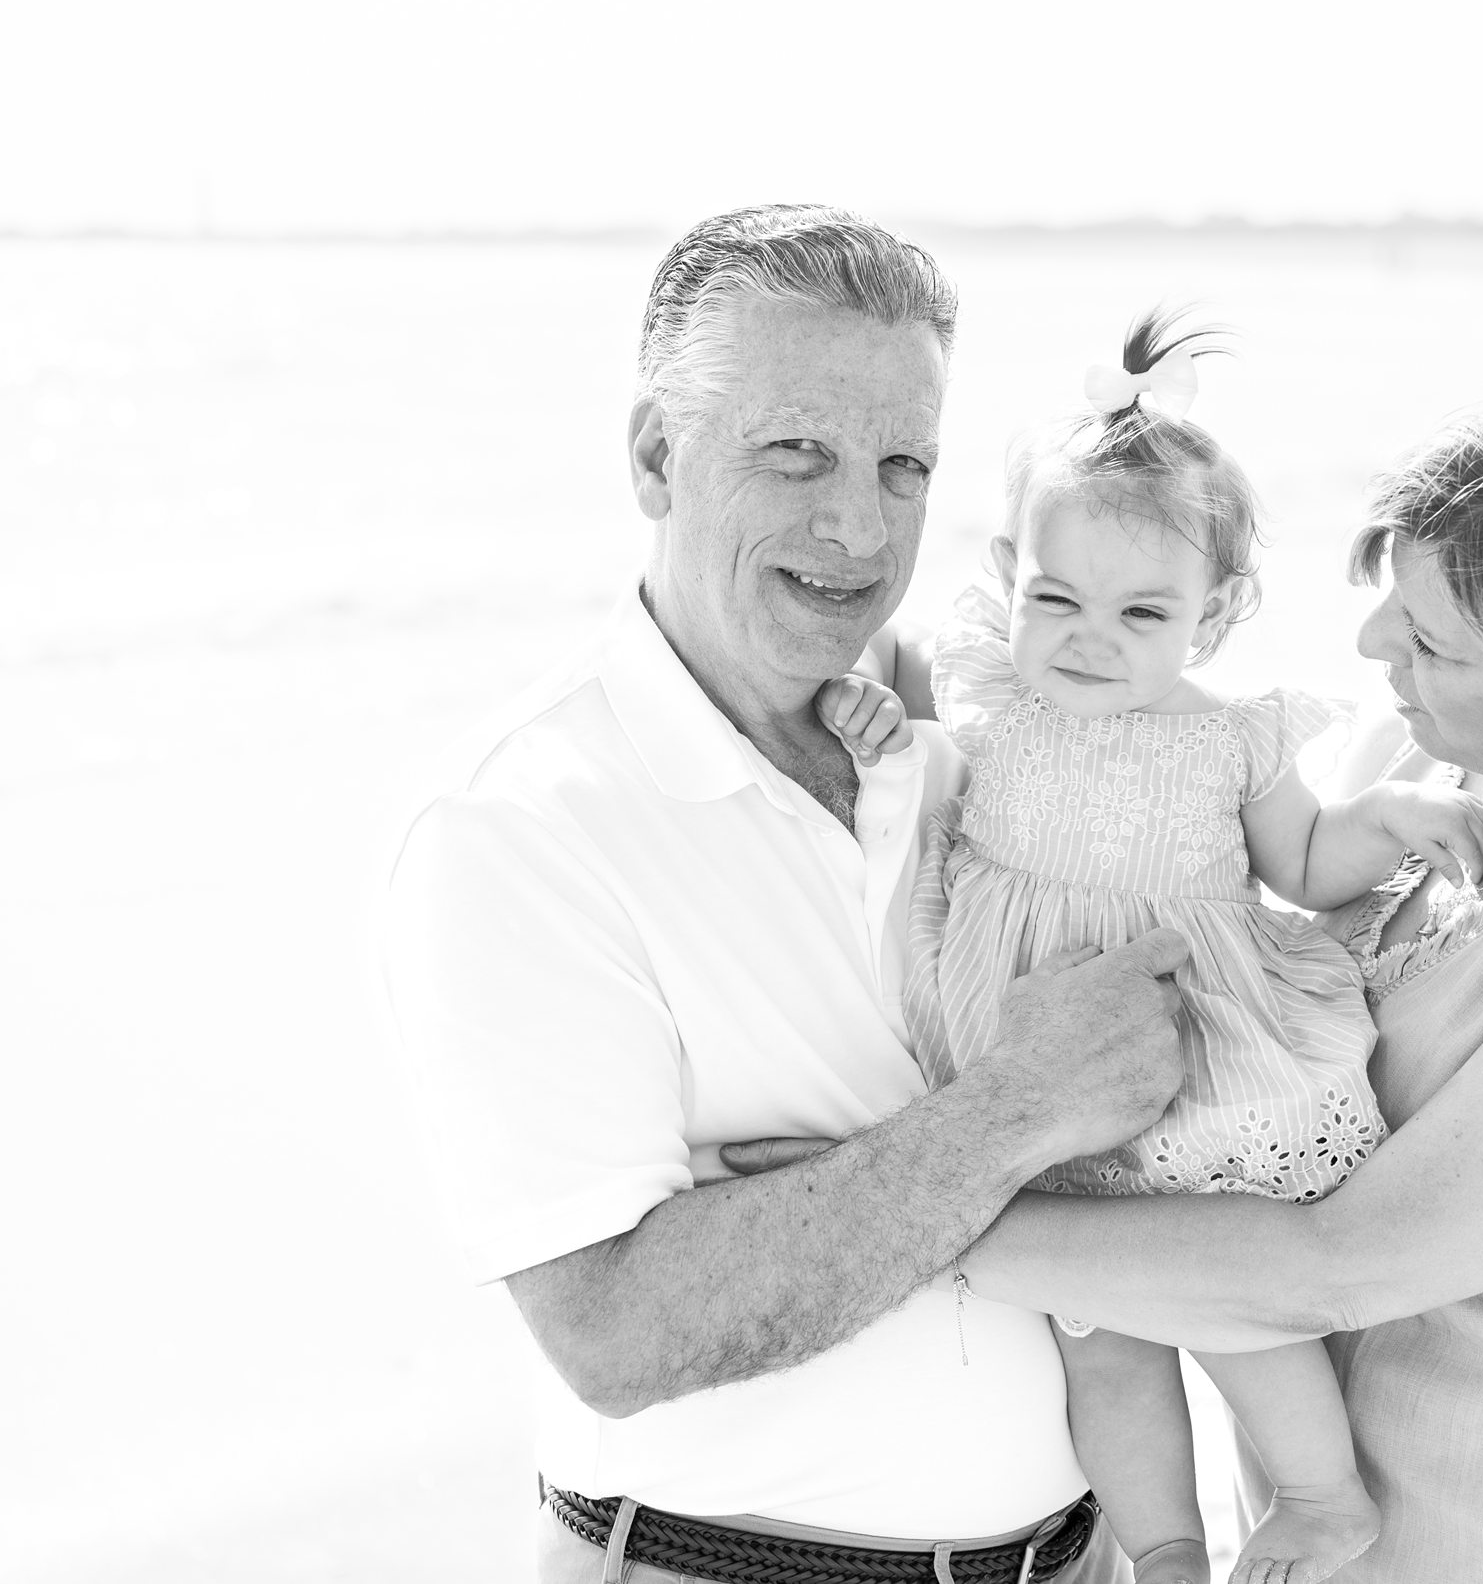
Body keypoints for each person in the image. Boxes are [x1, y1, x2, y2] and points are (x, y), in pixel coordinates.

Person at [747, 381, 1483, 1581]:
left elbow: (1338, 1263)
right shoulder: (1415, 769)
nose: (1375, 651)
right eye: (1391, 608)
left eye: (1432, 640)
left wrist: (870, 1221)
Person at [379, 204, 1192, 1583]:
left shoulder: (965, 740)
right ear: (655, 454)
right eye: (796, 452)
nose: (859, 524)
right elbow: (617, 1330)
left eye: (904, 463)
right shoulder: (521, 825)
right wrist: (1022, 1107)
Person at [818, 310, 1483, 1584]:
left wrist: (1393, 820)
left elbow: (1301, 861)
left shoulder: (1225, 739)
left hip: (1189, 1039)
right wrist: (876, 718)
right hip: (1027, 1037)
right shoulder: (990, 689)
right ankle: (1167, 1548)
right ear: (1010, 571)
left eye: (1142, 612)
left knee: (1221, 1294)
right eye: (1055, 598)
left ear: (1216, 613)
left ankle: (1320, 1495)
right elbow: (912, 740)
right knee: (1099, 1333)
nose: (1090, 637)